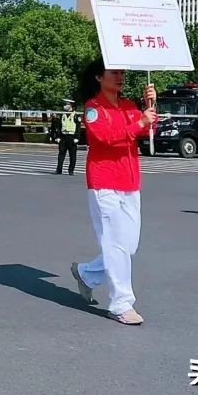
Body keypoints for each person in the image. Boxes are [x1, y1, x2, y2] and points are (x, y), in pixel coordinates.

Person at [70, 58, 156, 326]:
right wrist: (139, 122)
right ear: (99, 77)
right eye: (114, 72)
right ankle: (121, 304)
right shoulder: (93, 108)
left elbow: (149, 130)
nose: (120, 76)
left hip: (130, 182)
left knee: (128, 246)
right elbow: (105, 138)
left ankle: (87, 273)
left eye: (122, 72)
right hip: (104, 183)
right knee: (116, 244)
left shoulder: (130, 106)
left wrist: (151, 107)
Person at [54, 99, 80, 176]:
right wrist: (58, 137)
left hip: (72, 137)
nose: (65, 106)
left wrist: (77, 138)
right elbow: (59, 126)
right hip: (63, 136)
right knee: (61, 154)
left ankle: (71, 170)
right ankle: (59, 170)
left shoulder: (76, 115)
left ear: (71, 105)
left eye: (66, 104)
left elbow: (78, 127)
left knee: (72, 155)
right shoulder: (62, 114)